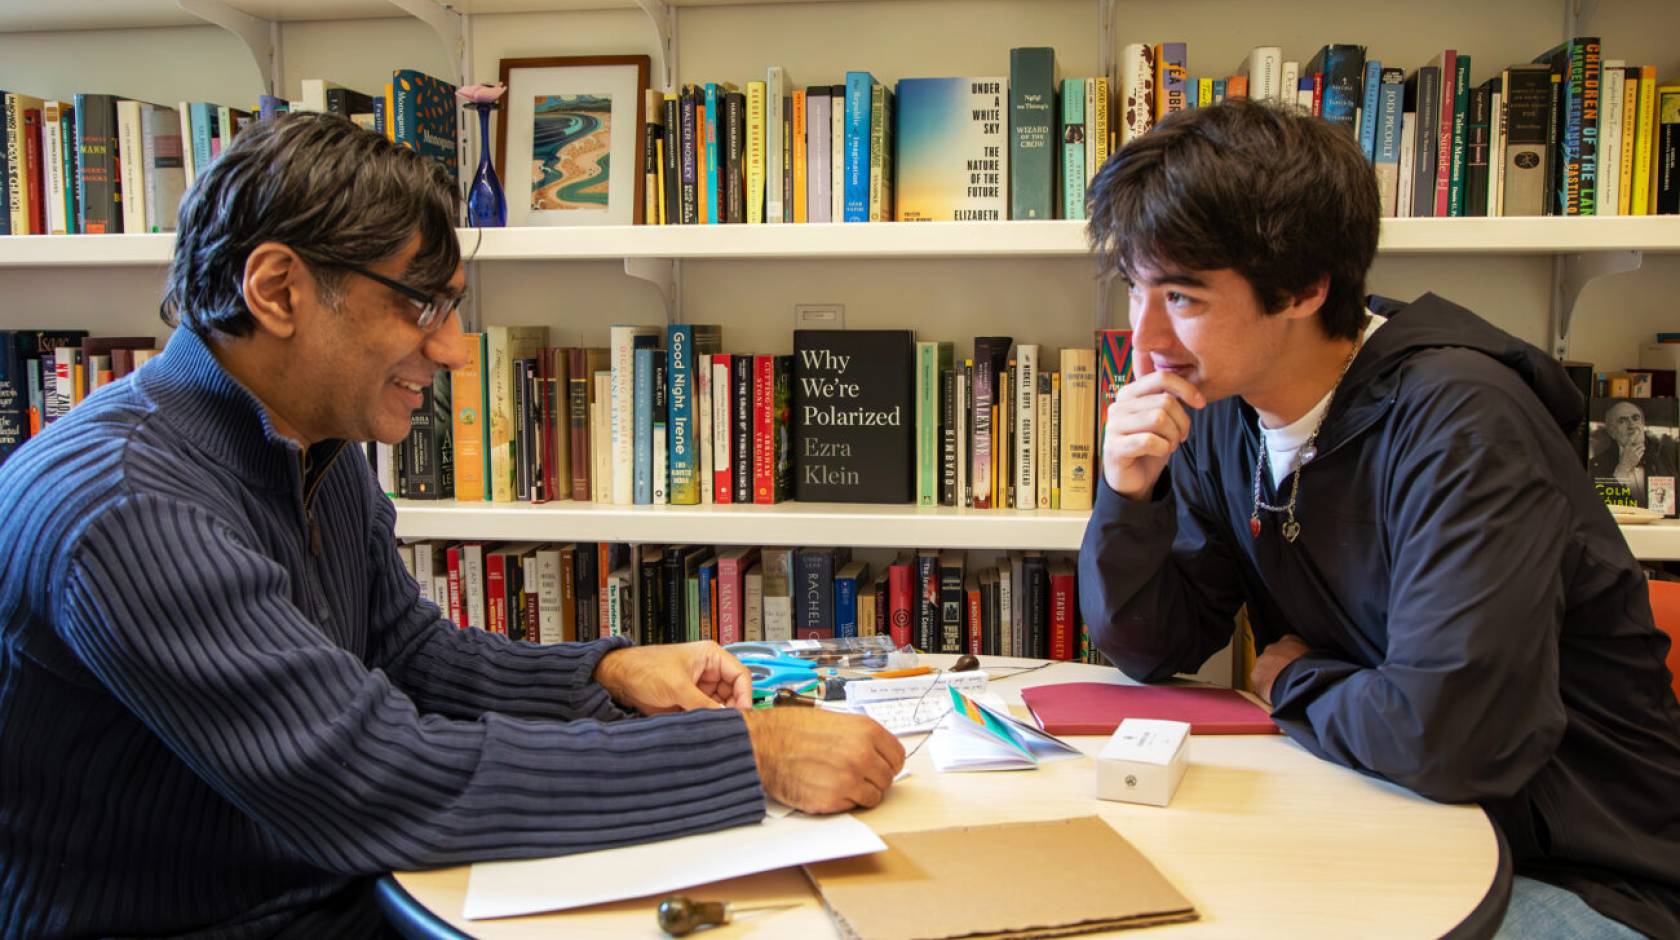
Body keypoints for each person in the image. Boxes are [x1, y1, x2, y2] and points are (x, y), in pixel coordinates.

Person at [0, 112, 903, 938]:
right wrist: (745, 754)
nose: (453, 347)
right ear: (277, 290)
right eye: (420, 303)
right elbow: (370, 777)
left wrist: (610, 672)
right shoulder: (125, 508)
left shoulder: (313, 441)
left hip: (336, 893)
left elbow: (409, 659)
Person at [1078, 98, 1680, 938]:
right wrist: (1126, 493)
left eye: (1181, 297)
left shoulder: (1464, 424)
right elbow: (1153, 645)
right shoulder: (1224, 412)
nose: (1143, 338)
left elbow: (1453, 740)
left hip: (1575, 869)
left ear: (1304, 288)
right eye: (1136, 289)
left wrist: (1293, 680)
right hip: (1388, 811)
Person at [1588, 399, 1679, 507]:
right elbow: (1597, 507)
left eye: (1636, 418)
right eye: (1622, 421)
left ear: (1642, 424)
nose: (1631, 425)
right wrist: (1623, 468)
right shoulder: (1596, 465)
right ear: (1612, 432)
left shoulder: (1665, 456)